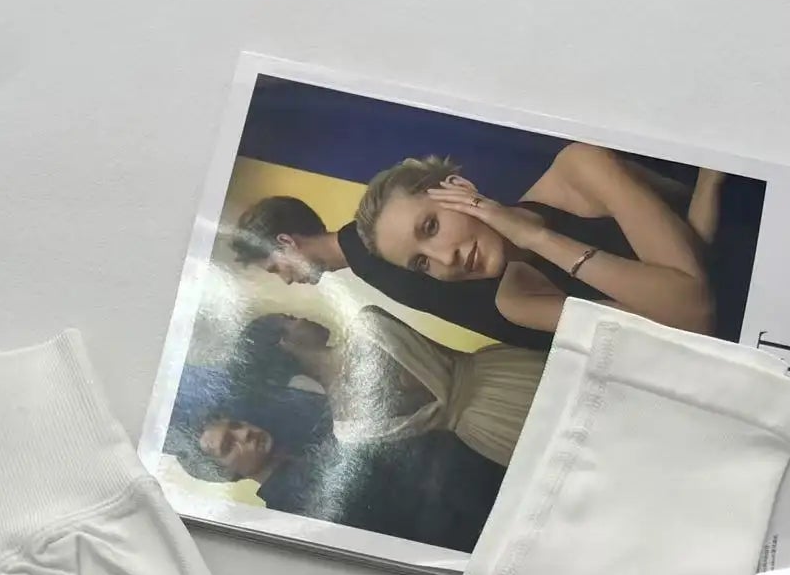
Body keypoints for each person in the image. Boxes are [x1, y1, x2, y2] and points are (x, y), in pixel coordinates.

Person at [354, 147, 727, 348]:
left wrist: (535, 236)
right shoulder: (517, 300)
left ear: (460, 188)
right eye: (422, 263)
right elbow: (690, 323)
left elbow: (692, 308)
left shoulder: (578, 169)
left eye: (430, 226)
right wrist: (537, 240)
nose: (444, 258)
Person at [168, 393, 505, 554]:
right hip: (474, 527)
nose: (245, 433)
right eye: (230, 445)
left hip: (482, 478)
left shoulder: (307, 438)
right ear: (227, 476)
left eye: (237, 425)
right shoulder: (294, 513)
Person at [244, 309, 547, 469]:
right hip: (503, 374)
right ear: (284, 343)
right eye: (290, 320)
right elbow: (449, 360)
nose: (302, 317)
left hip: (487, 432)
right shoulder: (367, 324)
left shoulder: (349, 430)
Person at [231, 193, 530, 344]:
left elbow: (480, 299)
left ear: (286, 242)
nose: (285, 280)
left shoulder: (370, 251)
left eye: (275, 268)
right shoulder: (362, 255)